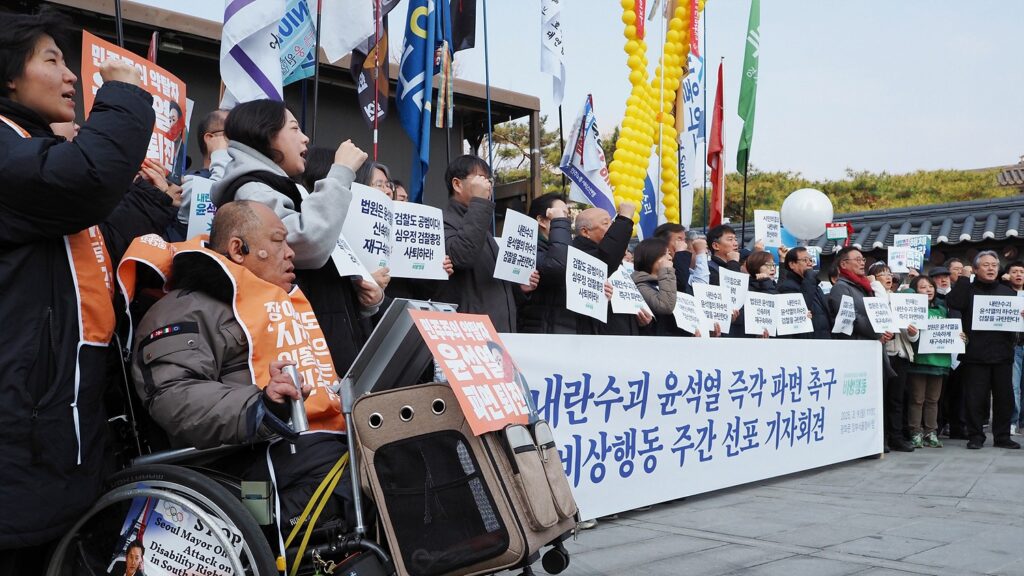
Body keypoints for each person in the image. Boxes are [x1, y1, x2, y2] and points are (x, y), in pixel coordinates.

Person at [0, 10, 155, 565]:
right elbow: (85, 178)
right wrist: (124, 95)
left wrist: (156, 200)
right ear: (8, 77)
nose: (72, 77)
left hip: (62, 443)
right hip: (21, 454)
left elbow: (101, 232)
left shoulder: (34, 151)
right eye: (53, 60)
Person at [130, 202, 355, 535]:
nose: (291, 253)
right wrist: (261, 406)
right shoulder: (186, 307)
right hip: (242, 468)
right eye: (279, 241)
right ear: (238, 249)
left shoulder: (280, 305)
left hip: (302, 446)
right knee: (363, 477)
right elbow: (171, 393)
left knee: (389, 448)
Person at [210, 100, 380, 375]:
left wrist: (358, 298)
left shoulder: (280, 187)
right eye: (295, 128)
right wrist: (341, 172)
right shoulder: (253, 190)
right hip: (297, 352)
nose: (305, 138)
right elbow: (307, 242)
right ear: (267, 134)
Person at [436, 155, 538, 332]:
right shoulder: (442, 222)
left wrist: (520, 288)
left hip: (498, 332)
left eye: (488, 179)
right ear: (457, 184)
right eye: (481, 178)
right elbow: (462, 257)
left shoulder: (483, 228)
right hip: (470, 334)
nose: (487, 185)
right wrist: (480, 203)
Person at [945, 251, 1021, 449]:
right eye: (985, 265)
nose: (990, 268)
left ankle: (1002, 436)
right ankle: (976, 436)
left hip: (1002, 353)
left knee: (1005, 398)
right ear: (976, 269)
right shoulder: (967, 289)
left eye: (994, 265)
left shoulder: (1008, 292)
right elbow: (953, 303)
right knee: (975, 398)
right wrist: (962, 280)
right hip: (975, 355)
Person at [572, 201, 651, 335]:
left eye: (612, 223)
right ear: (585, 232)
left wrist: (640, 322)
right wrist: (624, 218)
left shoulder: (617, 263)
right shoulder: (580, 258)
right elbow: (606, 257)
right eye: (605, 223)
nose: (612, 228)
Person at [906, 276, 965, 449]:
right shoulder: (911, 310)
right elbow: (911, 337)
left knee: (933, 400)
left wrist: (962, 338)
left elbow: (953, 332)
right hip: (919, 361)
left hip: (939, 363)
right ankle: (915, 432)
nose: (929, 290)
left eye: (931, 286)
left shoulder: (942, 309)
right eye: (923, 287)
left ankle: (931, 432)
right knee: (917, 399)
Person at [868, 261, 916, 452]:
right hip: (884, 353)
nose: (887, 277)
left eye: (889, 274)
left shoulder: (900, 299)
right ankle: (882, 437)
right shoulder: (874, 297)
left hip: (901, 353)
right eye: (882, 275)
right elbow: (881, 310)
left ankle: (896, 437)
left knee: (897, 398)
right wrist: (875, 286)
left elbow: (913, 334)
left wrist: (913, 332)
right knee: (881, 397)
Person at [518, 192, 574, 334]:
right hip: (538, 334)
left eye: (566, 216)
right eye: (560, 214)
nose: (565, 220)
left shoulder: (566, 248)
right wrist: (560, 222)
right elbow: (557, 267)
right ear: (542, 220)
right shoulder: (527, 248)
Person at [171, 108, 229, 239]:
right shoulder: (189, 184)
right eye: (233, 134)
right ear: (210, 139)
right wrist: (219, 153)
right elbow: (219, 197)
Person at [778, 246, 830, 338]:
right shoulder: (787, 287)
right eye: (805, 260)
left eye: (811, 260)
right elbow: (802, 309)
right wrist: (809, 277)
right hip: (807, 344)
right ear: (792, 264)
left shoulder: (815, 285)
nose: (810, 263)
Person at [631, 237, 677, 335]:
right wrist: (666, 271)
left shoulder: (663, 282)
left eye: (669, 253)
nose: (670, 258)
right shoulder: (640, 286)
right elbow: (665, 306)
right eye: (665, 254)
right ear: (651, 256)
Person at [1003, 260, 1024, 435]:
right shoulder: (1003, 293)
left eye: (1021, 271)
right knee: (1013, 386)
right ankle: (1012, 421)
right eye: (1015, 271)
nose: (1018, 274)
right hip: (1013, 345)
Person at [653, 222, 692, 292]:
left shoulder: (684, 263)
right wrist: (680, 253)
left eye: (684, 240)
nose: (684, 244)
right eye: (679, 239)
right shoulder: (656, 266)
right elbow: (679, 285)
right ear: (663, 243)